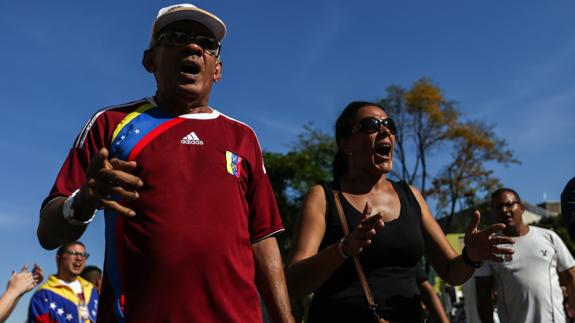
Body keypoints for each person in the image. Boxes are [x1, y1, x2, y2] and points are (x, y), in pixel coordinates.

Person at [37, 4, 293, 323]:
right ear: (149, 61)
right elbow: (48, 233)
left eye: (206, 43)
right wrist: (84, 200)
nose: (193, 46)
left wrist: (286, 319)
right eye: (175, 37)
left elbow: (263, 240)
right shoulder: (110, 124)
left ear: (217, 69)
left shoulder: (243, 137)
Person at [286, 101, 514, 322]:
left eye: (390, 125)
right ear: (346, 143)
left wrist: (470, 257)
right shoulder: (323, 196)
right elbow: (295, 283)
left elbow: (451, 271)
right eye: (371, 125)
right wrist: (344, 248)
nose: (385, 130)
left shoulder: (411, 195)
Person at [475, 188, 575, 323]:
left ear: (521, 208)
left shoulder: (549, 237)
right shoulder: (489, 247)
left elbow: (571, 278)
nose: (505, 210)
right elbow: (483, 297)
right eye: (499, 207)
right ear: (493, 213)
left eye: (509, 204)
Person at [29, 242, 98, 322]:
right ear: (58, 259)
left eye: (84, 255)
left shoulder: (91, 289)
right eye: (74, 253)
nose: (79, 258)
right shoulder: (44, 295)